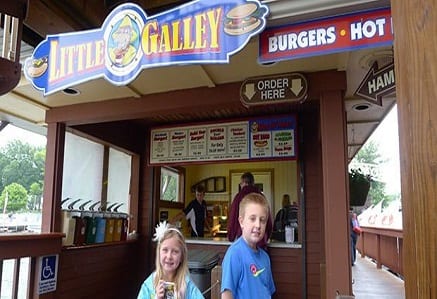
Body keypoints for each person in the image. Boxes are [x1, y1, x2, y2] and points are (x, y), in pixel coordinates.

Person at [221, 193, 276, 299]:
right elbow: (227, 295)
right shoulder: (234, 254)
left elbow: (268, 291)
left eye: (262, 220)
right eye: (252, 219)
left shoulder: (265, 257)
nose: (258, 225)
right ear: (241, 222)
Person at [137, 221, 204, 299]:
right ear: (158, 252)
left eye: (175, 252)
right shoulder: (149, 285)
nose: (169, 256)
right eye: (165, 250)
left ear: (182, 256)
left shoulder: (187, 286)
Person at [227, 172, 272, 250]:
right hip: (260, 243)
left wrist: (231, 236)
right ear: (253, 183)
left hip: (243, 241)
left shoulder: (238, 197)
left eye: (241, 184)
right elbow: (268, 220)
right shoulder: (261, 197)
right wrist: (267, 236)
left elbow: (233, 218)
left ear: (244, 183)